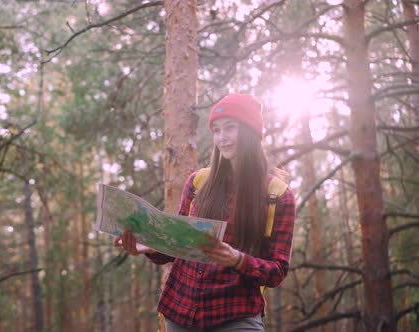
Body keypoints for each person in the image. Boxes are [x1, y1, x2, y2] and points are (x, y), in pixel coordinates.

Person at [114, 93, 296, 331]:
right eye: (217, 130)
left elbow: (278, 271)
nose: (222, 138)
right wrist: (147, 246)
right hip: (180, 312)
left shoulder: (278, 195)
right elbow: (179, 246)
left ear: (251, 132)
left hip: (236, 315)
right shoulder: (198, 182)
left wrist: (238, 260)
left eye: (230, 128)